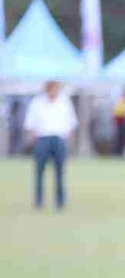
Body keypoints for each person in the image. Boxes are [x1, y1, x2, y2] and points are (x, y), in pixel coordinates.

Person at [24, 80, 75, 212]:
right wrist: (33, 134)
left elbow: (71, 121)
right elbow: (30, 121)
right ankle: (39, 201)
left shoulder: (64, 102)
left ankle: (60, 201)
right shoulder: (38, 102)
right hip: (43, 138)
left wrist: (67, 135)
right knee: (39, 171)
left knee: (59, 171)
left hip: (59, 138)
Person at [113, 86, 125, 155]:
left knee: (123, 138)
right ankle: (118, 152)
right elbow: (117, 112)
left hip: (123, 121)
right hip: (121, 121)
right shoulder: (122, 100)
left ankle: (120, 152)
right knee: (120, 138)